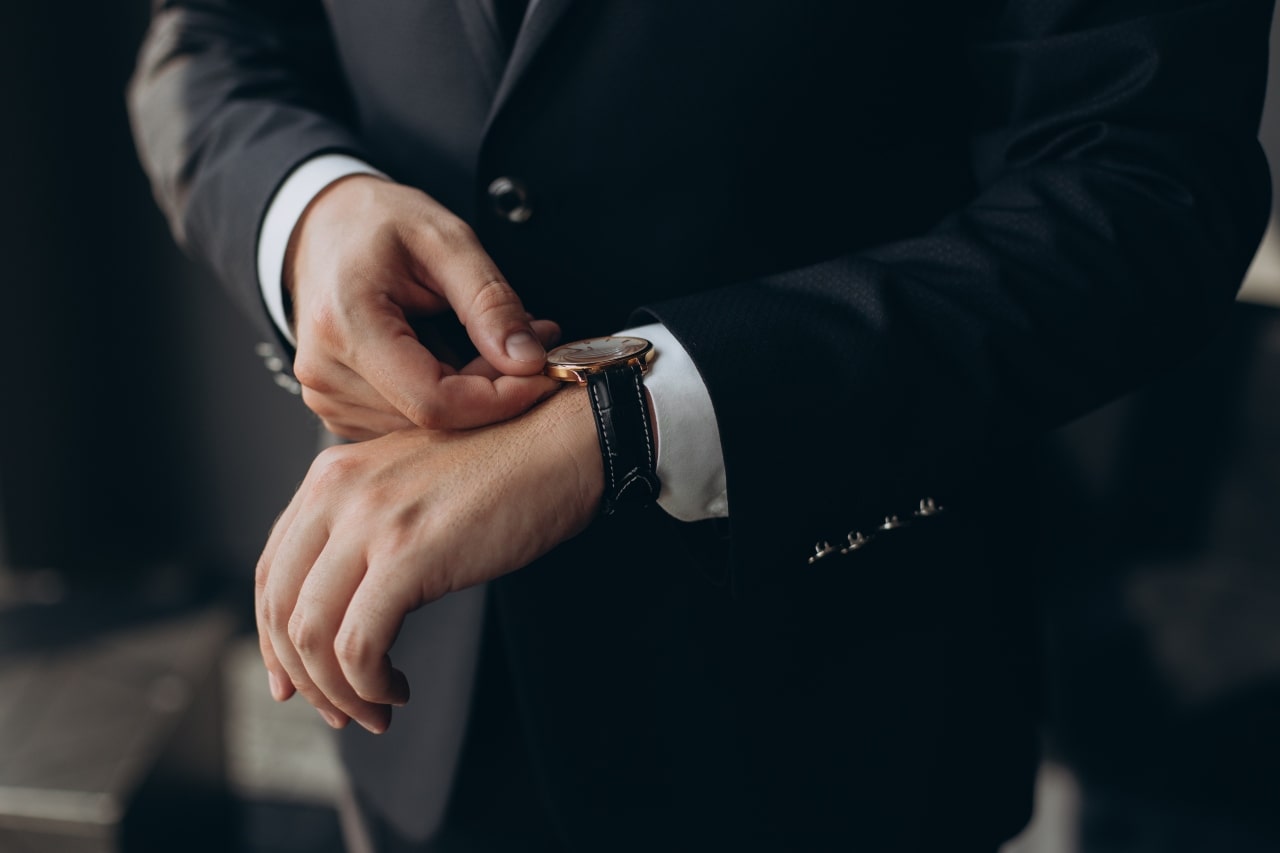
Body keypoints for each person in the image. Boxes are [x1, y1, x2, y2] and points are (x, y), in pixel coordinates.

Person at [127, 1, 1273, 850]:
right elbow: (208, 41)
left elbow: (1137, 186)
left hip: (829, 725)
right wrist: (307, 209)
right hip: (411, 690)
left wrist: (629, 417)